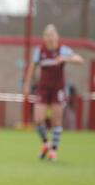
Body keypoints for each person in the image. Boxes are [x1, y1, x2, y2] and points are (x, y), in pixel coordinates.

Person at [23, 24, 83, 161]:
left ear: (57, 37)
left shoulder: (63, 50)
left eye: (52, 36)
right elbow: (32, 67)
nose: (50, 38)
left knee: (56, 121)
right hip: (43, 89)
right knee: (38, 119)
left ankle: (53, 151)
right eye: (47, 36)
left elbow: (80, 60)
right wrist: (27, 85)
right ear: (44, 38)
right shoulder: (40, 51)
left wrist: (65, 59)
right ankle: (46, 143)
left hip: (58, 90)